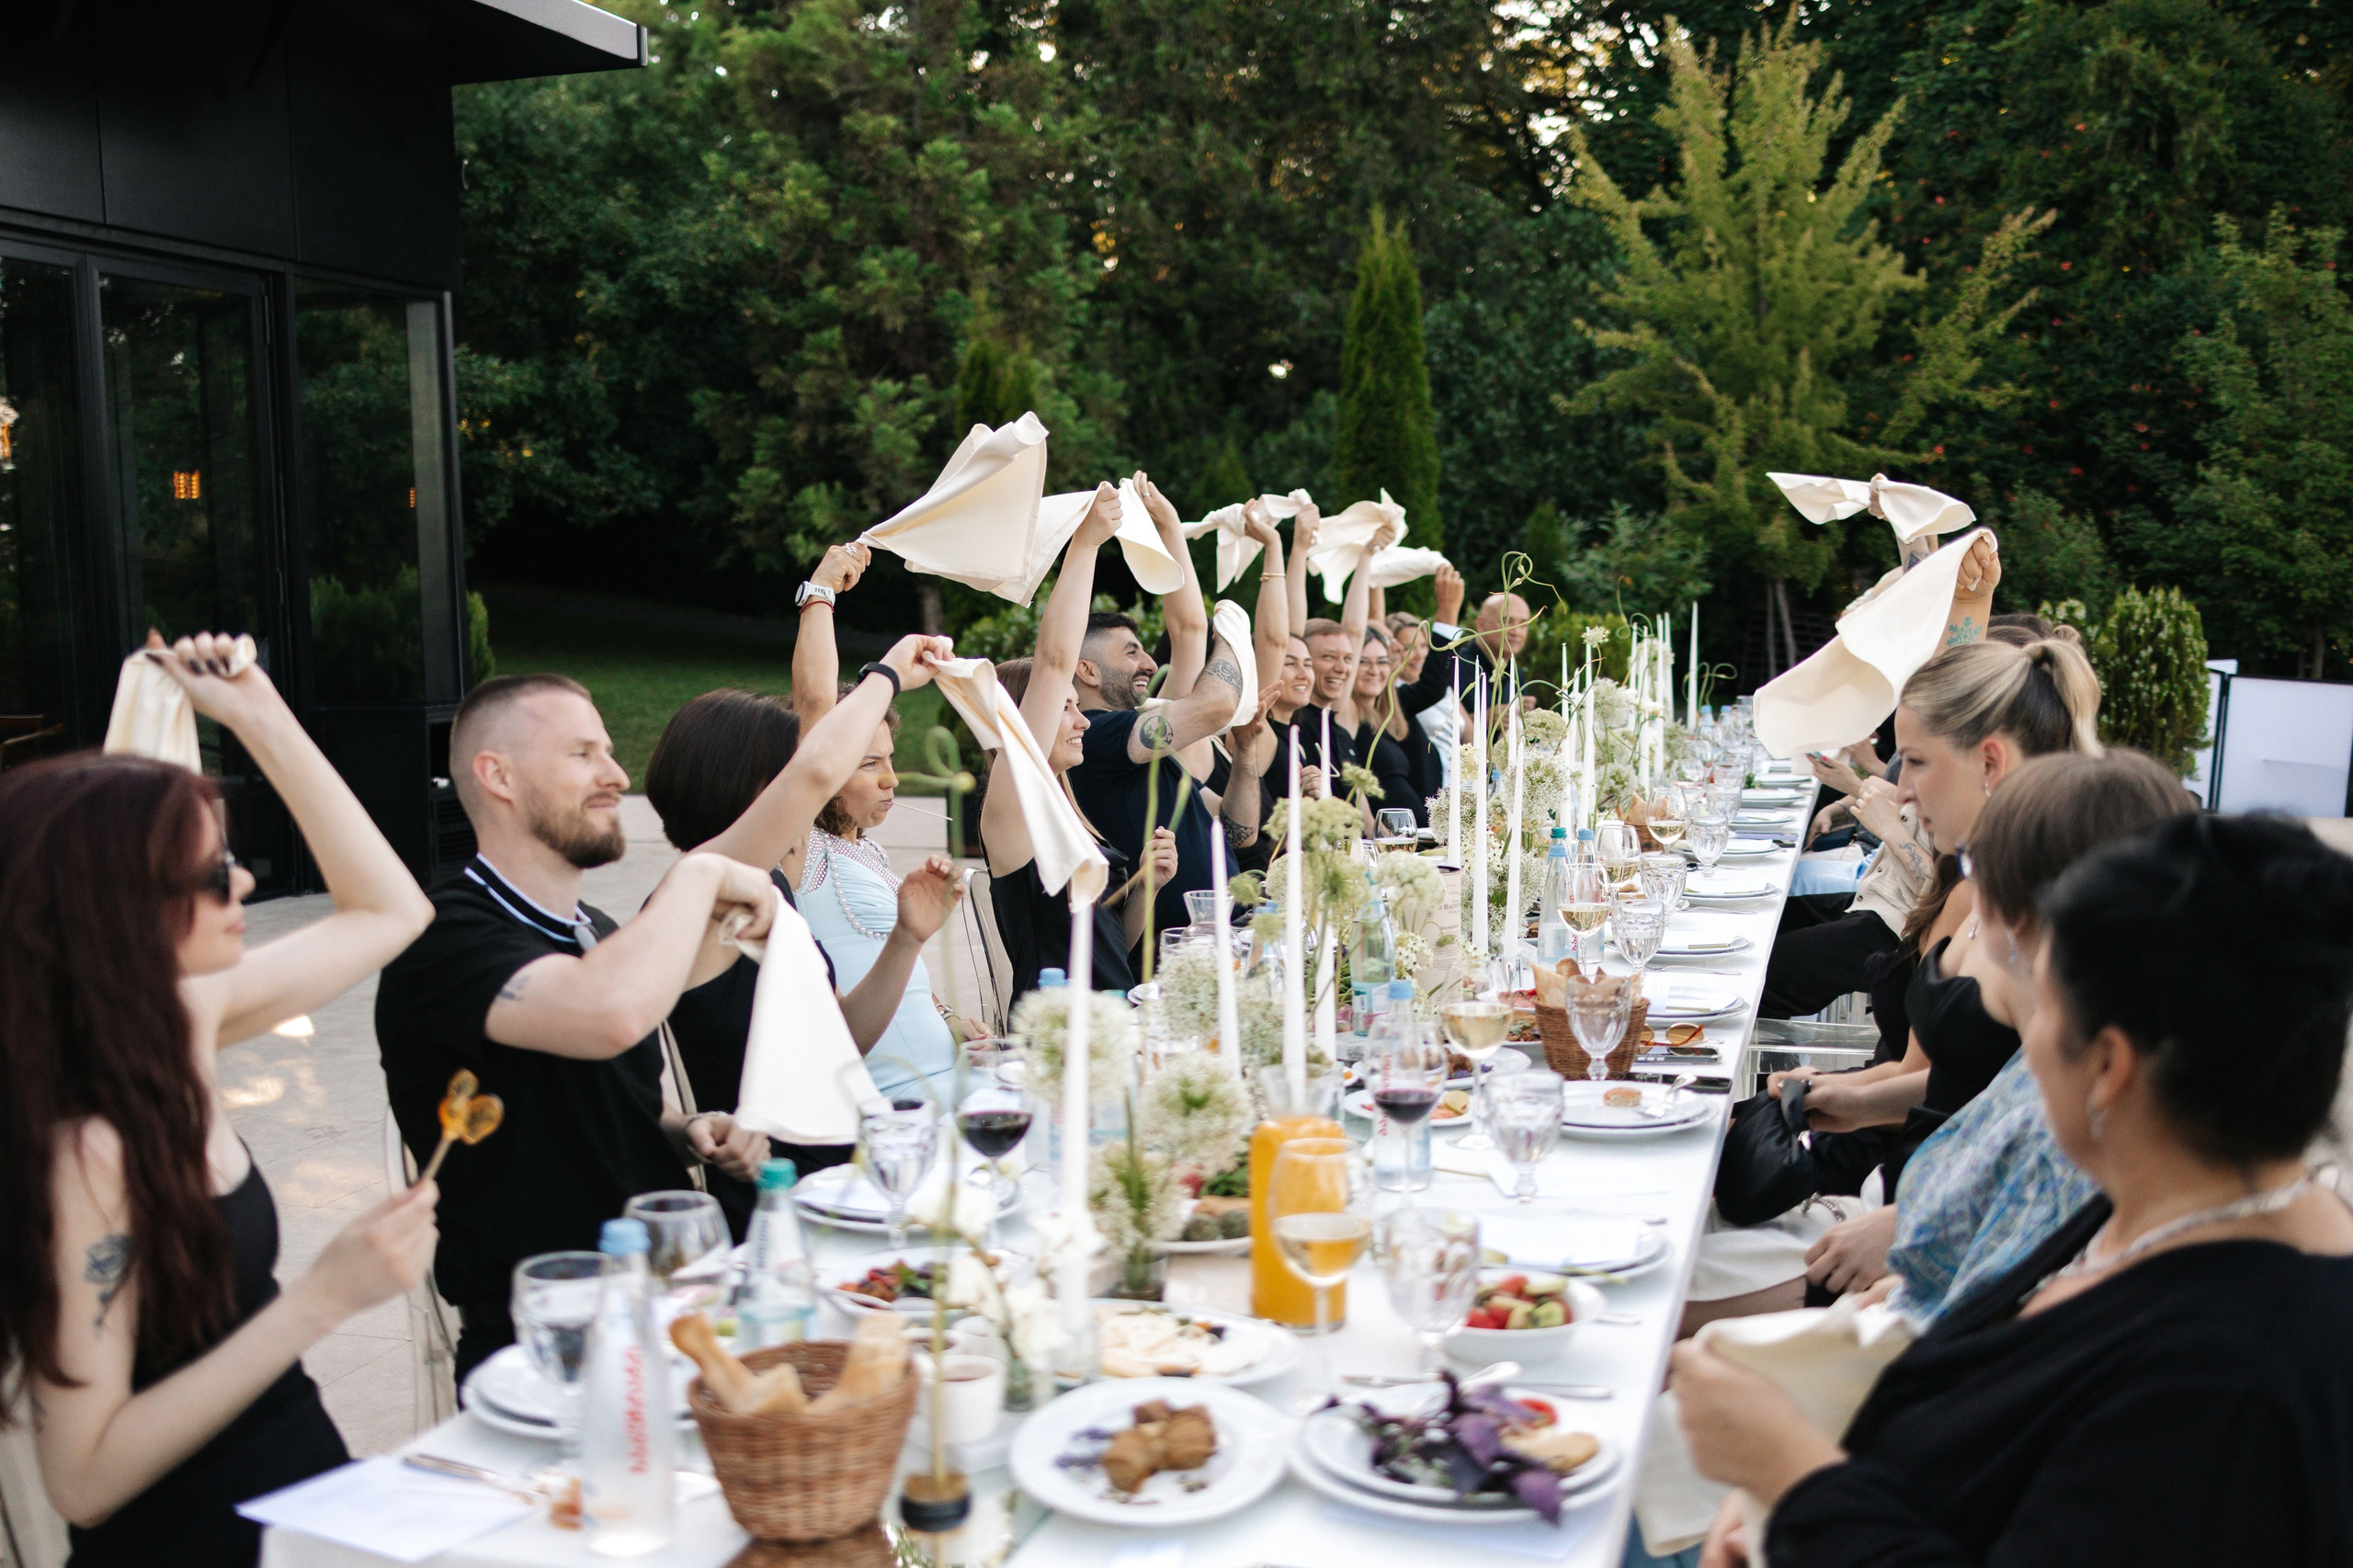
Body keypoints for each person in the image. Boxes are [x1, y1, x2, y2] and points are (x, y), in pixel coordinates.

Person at [1675, 812, 2353, 1567]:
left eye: (2040, 1012)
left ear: (2109, 1068)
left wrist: (1788, 1475)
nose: (2021, 1056)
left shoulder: (2226, 1381)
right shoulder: (2165, 1207)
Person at [1, 631, 438, 1567]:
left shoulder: (179, 1020)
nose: (242, 880)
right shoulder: (85, 1149)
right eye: (210, 875)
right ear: (115, 910)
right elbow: (82, 1477)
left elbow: (392, 910)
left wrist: (256, 712)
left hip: (314, 1511)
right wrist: (322, 1298)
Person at [374, 671, 787, 1381]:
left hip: (669, 1309)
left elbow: (624, 1099)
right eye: (583, 754)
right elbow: (609, 1015)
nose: (617, 776)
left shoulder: (595, 929)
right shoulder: (443, 937)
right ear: (498, 776)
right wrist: (701, 875)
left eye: (610, 753)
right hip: (550, 1346)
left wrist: (690, 1129)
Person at [1798, 750, 2194, 1313]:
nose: (1903, 787)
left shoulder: (2085, 1068)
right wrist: (1859, 1106)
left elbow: (2008, 1250)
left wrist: (1907, 1241)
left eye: (1917, 759)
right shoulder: (2086, 1033)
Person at [640, 653, 964, 1234]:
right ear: (752, 789)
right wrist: (888, 674)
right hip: (782, 1204)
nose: (812, 788)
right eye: (787, 775)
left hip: (847, 1178)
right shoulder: (701, 893)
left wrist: (905, 938)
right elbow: (817, 750)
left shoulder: (764, 888)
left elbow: (839, 1041)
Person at [1759, 534, 2004, 1020]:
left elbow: (1950, 894)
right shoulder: (1962, 762)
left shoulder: (1991, 801)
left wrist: (1888, 823)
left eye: (1916, 762)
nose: (1905, 786)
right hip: (1873, 900)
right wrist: (1962, 590)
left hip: (1896, 930)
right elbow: (1950, 666)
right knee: (1763, 924)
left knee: (1762, 973)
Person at [780, 542, 988, 1107]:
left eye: (889, 760)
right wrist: (820, 594)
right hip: (896, 1099)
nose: (892, 780)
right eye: (869, 763)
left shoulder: (864, 850)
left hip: (948, 1074)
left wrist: (947, 1016)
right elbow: (814, 705)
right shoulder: (800, 849)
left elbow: (884, 959)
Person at [985, 484, 1178, 998]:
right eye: (1064, 707)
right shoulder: (1012, 810)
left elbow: (1108, 943)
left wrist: (1144, 884)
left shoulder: (1068, 810)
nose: (1083, 722)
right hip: (1057, 1032)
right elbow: (1054, 662)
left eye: (1076, 706)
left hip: (1113, 1017)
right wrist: (1086, 544)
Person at [1066, 473, 1245, 939]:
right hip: (1170, 952)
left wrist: (1167, 525)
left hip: (1221, 936)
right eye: (1131, 652)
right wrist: (1233, 638)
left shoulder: (1142, 733)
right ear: (1087, 671)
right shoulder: (1095, 735)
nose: (1150, 662)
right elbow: (1217, 704)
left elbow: (1189, 631)